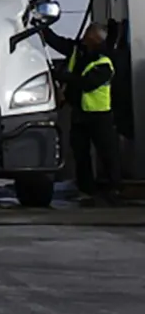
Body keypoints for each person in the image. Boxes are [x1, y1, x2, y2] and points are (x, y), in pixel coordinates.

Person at [45, 21, 123, 203]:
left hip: (99, 115)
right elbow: (56, 42)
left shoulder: (105, 62)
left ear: (95, 39)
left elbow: (86, 84)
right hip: (79, 113)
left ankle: (115, 188)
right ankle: (86, 188)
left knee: (107, 152)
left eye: (88, 33)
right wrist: (42, 29)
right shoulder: (77, 50)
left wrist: (62, 76)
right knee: (80, 152)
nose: (84, 35)